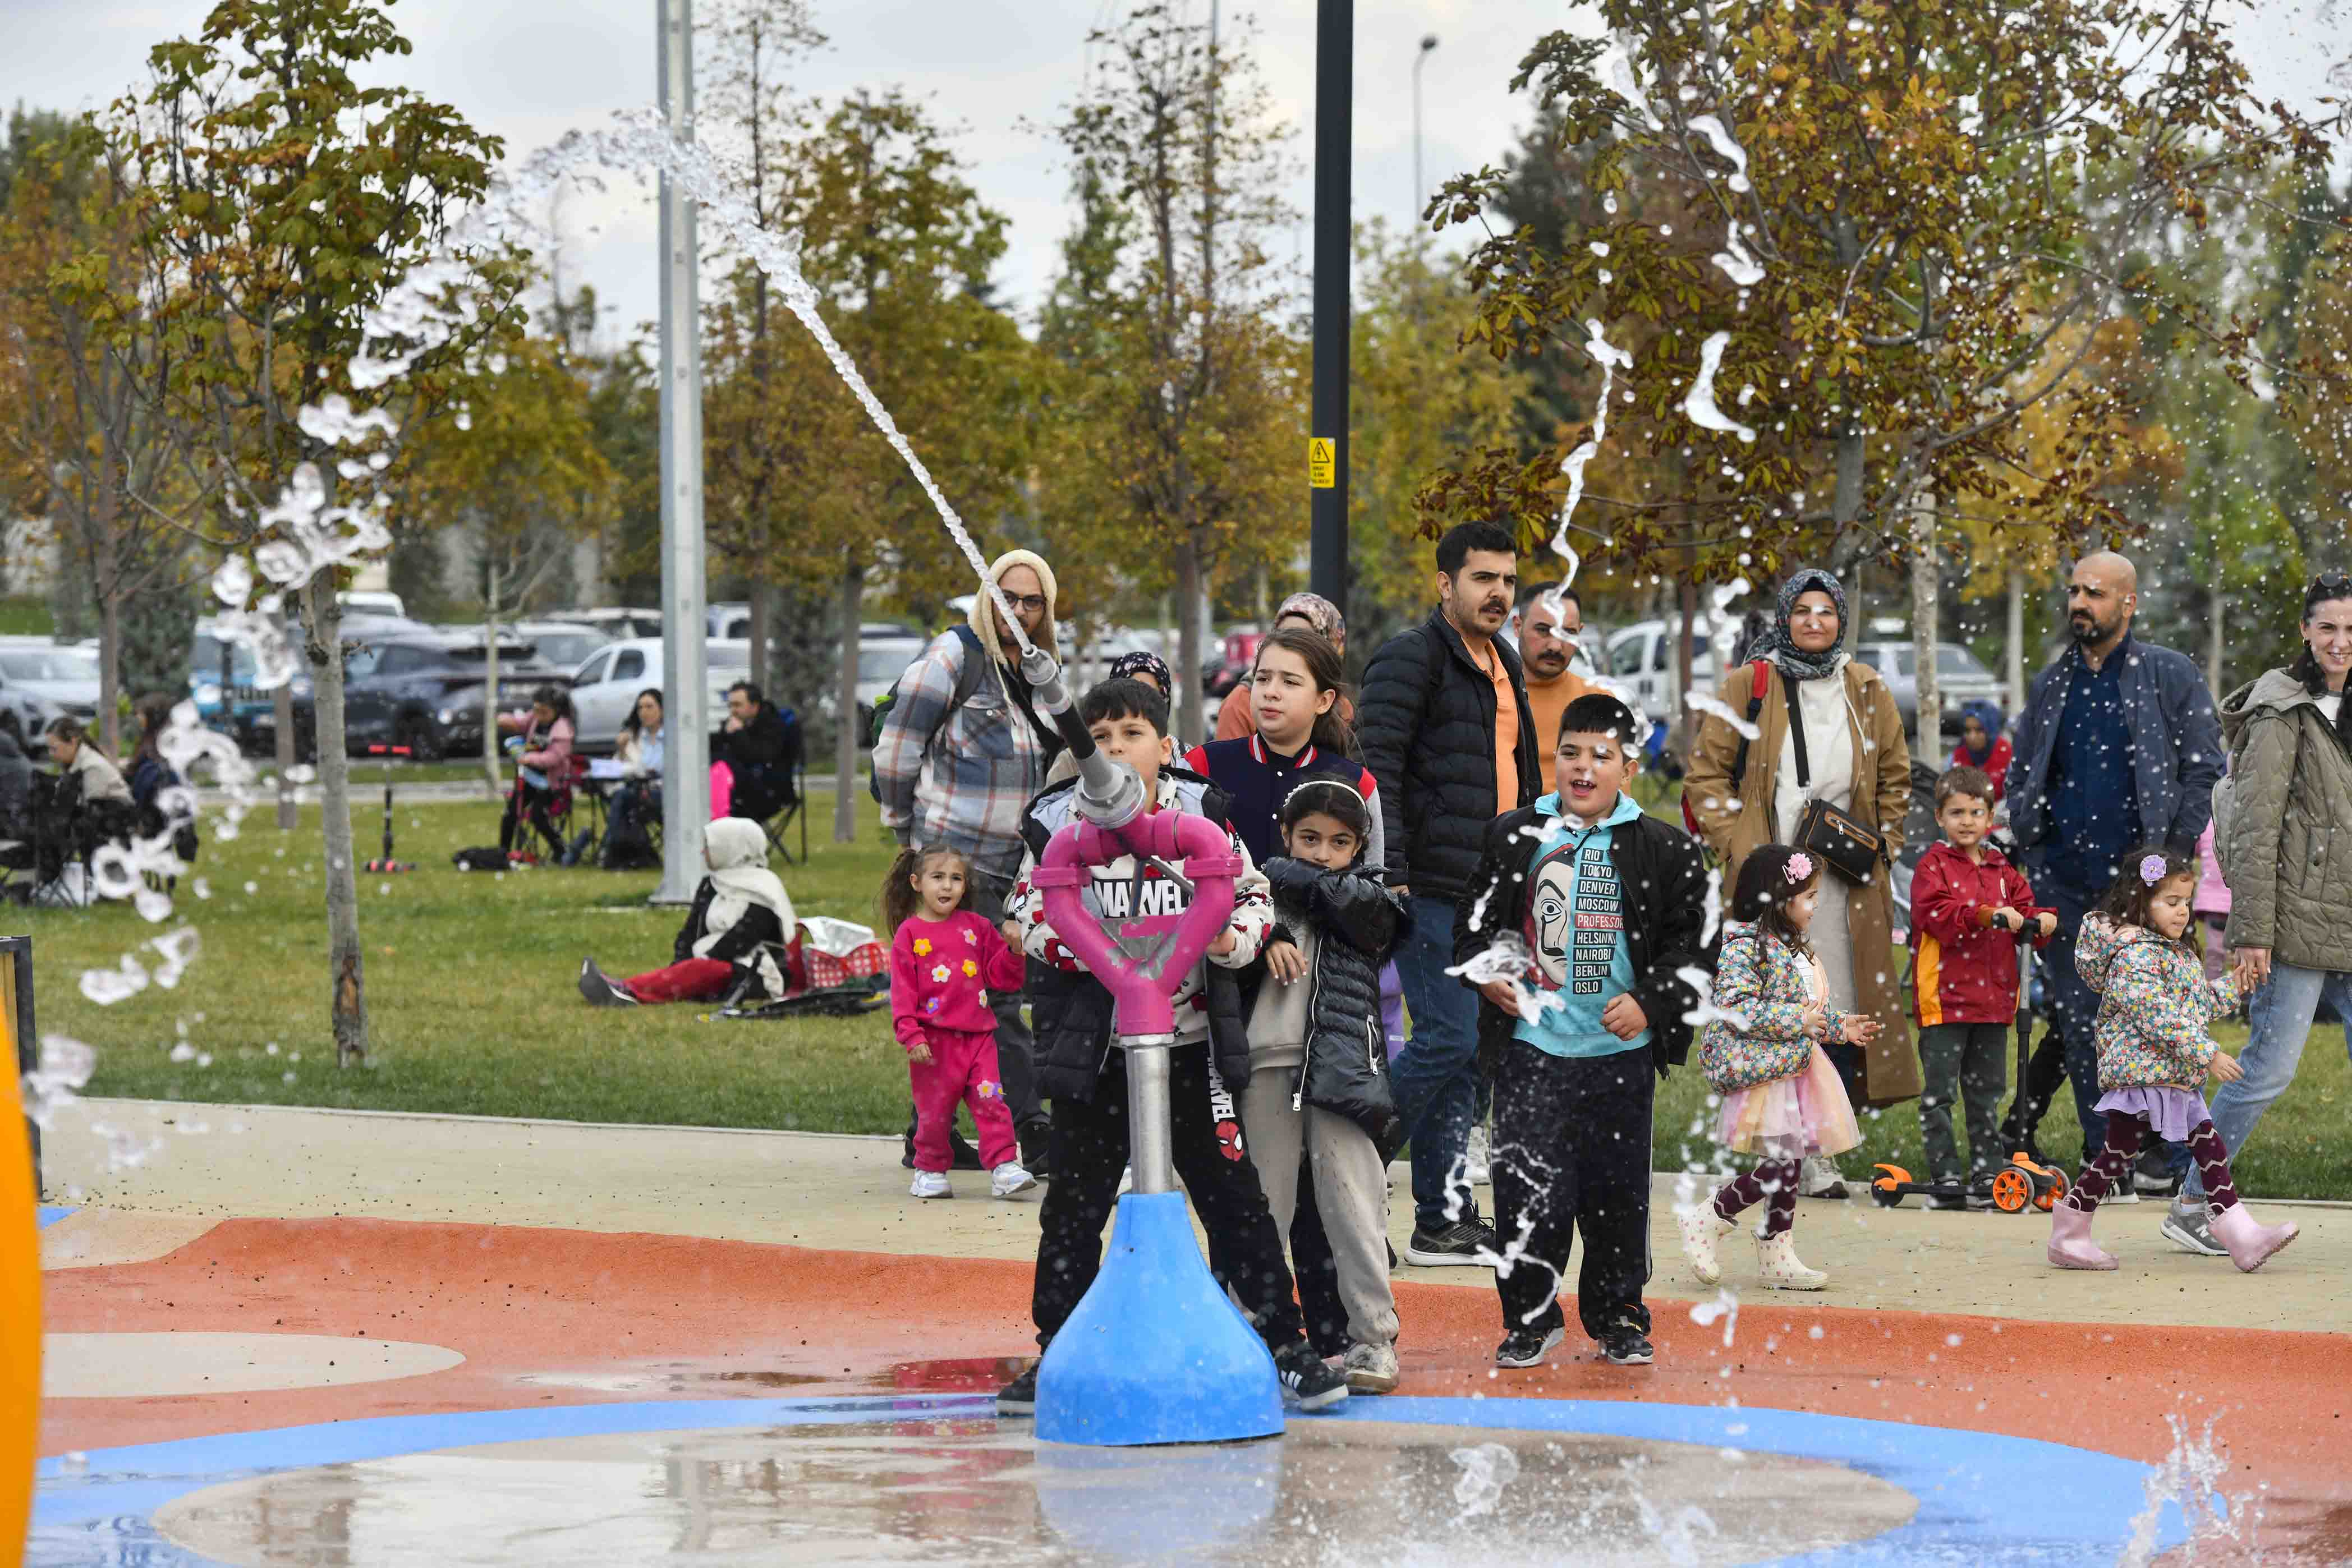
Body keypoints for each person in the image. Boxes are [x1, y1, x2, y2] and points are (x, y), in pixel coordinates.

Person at [994, 677, 1348, 1417]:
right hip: (1098, 1051)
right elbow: (1025, 908)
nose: (1117, 749)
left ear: (1165, 746)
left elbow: (1250, 893)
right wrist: (1088, 947)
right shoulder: (1056, 822)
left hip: (1189, 1046)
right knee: (1074, 1205)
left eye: (1132, 733)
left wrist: (1229, 941)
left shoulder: (1201, 814)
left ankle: (1284, 1342)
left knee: (1234, 1198)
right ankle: (1055, 1348)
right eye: (1102, 737)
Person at [1454, 693, 1708, 1367]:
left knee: (1616, 1193)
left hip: (1617, 1055)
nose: (1584, 768)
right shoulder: (1514, 836)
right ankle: (1530, 1316)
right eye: (1571, 752)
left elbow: (1694, 945)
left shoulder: (1660, 848)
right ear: (1554, 758)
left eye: (1602, 755)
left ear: (1628, 765)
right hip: (1530, 1049)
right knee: (1527, 1190)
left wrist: (1652, 1002)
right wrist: (1487, 974)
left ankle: (1618, 1312)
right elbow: (1472, 923)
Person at [1683, 567, 1916, 1199]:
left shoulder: (1866, 687)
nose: (1814, 621)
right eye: (1802, 610)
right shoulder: (1751, 683)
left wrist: (1884, 846)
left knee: (1832, 1001)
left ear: (1843, 619)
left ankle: (1819, 1146)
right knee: (1777, 1005)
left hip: (1843, 881)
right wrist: (1741, 849)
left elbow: (1897, 778)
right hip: (1770, 879)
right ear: (1784, 617)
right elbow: (1705, 777)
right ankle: (1777, 1143)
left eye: (1826, 611)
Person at [2004, 551, 2221, 1199]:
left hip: (2142, 885)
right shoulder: (2051, 683)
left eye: (2093, 592)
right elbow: (2022, 772)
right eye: (2073, 590)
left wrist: (2169, 859)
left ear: (2127, 603)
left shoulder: (2168, 674)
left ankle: (2163, 1151)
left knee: (2155, 1015)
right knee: (2079, 1017)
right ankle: (2110, 1157)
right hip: (2064, 883)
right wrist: (2031, 836)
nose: (2078, 602)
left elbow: (2204, 766)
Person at [1358, 519, 1540, 1265]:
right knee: (1446, 1038)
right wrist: (1390, 868)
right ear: (1445, 584)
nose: (1497, 592)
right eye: (1482, 578)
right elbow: (1377, 768)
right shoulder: (1411, 658)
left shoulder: (1503, 662)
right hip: (1430, 883)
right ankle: (1342, 1168)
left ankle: (1440, 1217)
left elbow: (1519, 776)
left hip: (1490, 892)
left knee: (1470, 1057)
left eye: (1507, 579)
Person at [2172, 572, 2352, 1254]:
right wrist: (2251, 930)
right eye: (2327, 627)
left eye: (2350, 628)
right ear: (2305, 630)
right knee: (2267, 1069)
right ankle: (2194, 1201)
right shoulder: (2281, 712)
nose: (2340, 641)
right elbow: (2251, 830)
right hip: (2297, 924)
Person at [874, 549, 1066, 1172]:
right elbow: (897, 743)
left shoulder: (1041, 669)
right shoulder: (956, 654)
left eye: (1031, 601)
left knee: (966, 998)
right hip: (953, 860)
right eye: (1007, 596)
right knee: (990, 1001)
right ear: (986, 597)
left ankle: (927, 1135)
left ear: (1046, 610)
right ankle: (1029, 1128)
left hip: (1013, 865)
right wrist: (908, 829)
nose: (1018, 610)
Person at [2048, 848, 2298, 1272]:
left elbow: (2193, 1006)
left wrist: (2235, 986)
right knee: (2118, 1154)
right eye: (2171, 901)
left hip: (2171, 1073)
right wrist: (2209, 1053)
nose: (2183, 912)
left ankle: (2240, 1233)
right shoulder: (2135, 954)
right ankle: (2069, 1233)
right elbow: (2157, 1016)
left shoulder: (2173, 951)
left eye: (2186, 901)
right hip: (2142, 1073)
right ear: (2141, 901)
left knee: (2206, 1144)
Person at [1244, 780, 1405, 1394]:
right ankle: (1254, 1332)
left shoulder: (1368, 897)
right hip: (1266, 1064)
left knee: (1355, 1205)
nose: (1321, 852)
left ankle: (1373, 1336)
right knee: (1262, 1209)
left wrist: (1283, 874)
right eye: (1308, 838)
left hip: (1344, 1071)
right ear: (1286, 833)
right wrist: (1267, 930)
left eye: (1339, 843)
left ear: (1359, 848)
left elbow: (1356, 911)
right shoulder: (1255, 896)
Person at [1682, 845, 1875, 1291]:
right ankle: (1710, 1215)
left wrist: (1838, 1027)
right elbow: (1736, 1007)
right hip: (1766, 1073)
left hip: (1797, 1069)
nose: (1815, 905)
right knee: (1784, 1162)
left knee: (1792, 1160)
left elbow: (1806, 1011)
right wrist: (1798, 1021)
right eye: (1808, 896)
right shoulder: (1745, 948)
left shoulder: (1793, 949)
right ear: (1777, 899)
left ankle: (1776, 1250)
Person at [1908, 766, 2055, 1207]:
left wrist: (2042, 919)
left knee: (1986, 1092)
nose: (1967, 821)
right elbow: (1935, 911)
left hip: (1993, 1002)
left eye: (1976, 812)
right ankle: (1946, 1172)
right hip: (1946, 999)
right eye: (1957, 812)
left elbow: (2024, 907)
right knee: (1940, 1092)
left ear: (1990, 817)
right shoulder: (1932, 865)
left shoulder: (2000, 867)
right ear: (1939, 817)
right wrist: (1983, 914)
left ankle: (1988, 1168)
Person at [884, 843, 1035, 1201]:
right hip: (934, 1043)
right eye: (938, 878)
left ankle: (1003, 1167)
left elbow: (1002, 979)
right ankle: (929, 1169)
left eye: (956, 879)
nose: (948, 886)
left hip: (979, 1037)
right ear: (917, 883)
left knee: (992, 1102)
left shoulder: (979, 928)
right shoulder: (910, 934)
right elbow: (903, 991)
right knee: (935, 1111)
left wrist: (1014, 952)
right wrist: (911, 1035)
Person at [1184, 627, 1379, 868]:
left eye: (1289, 682)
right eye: (1263, 679)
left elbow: (1373, 885)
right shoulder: (1202, 765)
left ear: (1324, 701)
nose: (1271, 692)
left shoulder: (1357, 783)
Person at [577, 818, 792, 1005]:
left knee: (700, 972)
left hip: (754, 971)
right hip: (709, 962)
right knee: (691, 972)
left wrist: (702, 962)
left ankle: (626, 990)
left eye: (709, 846)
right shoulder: (711, 884)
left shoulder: (764, 889)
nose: (703, 852)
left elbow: (743, 938)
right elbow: (691, 931)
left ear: (731, 848)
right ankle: (624, 989)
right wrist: (682, 963)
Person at [1214, 592, 1353, 741]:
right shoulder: (1241, 704)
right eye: (1282, 634)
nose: (1288, 646)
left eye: (1302, 639)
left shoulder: (1341, 708)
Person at [1513, 582, 1595, 794]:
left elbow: (1619, 806)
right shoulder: (1488, 697)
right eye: (1543, 631)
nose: (1555, 646)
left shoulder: (1597, 703)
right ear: (1517, 626)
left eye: (1568, 633)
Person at [498, 686, 575, 862]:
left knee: (538, 816)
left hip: (552, 785)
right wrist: (505, 720)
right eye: (536, 710)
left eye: (544, 712)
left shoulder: (563, 730)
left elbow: (554, 758)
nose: (538, 715)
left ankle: (560, 850)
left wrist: (529, 758)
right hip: (530, 779)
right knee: (510, 814)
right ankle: (503, 853)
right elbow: (521, 722)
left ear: (556, 711)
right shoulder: (534, 718)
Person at [712, 681, 795, 824]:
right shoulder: (732, 725)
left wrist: (738, 734)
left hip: (769, 792)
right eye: (730, 705)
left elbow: (760, 758)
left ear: (754, 706)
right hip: (739, 788)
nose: (733, 710)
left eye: (738, 705)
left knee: (721, 761)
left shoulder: (773, 726)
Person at [1951, 701, 2012, 805]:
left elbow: (2013, 801)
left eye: (1979, 730)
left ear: (1990, 730)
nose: (1972, 737)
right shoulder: (1955, 758)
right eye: (1967, 731)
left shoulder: (2008, 757)